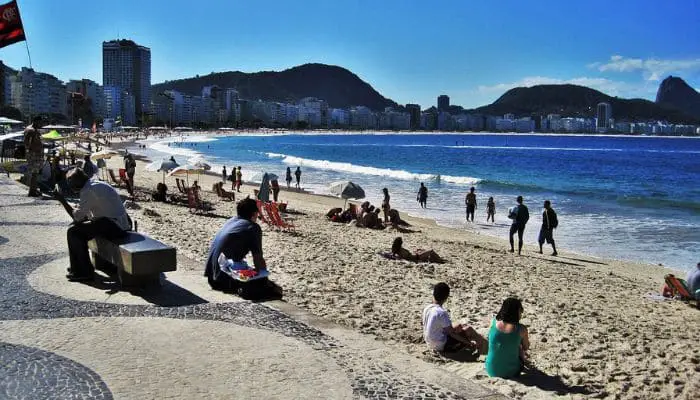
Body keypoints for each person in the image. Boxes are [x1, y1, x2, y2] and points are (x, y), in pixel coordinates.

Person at [65, 168, 131, 282]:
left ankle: (84, 271)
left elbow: (78, 217)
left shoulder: (88, 190)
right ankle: (77, 267)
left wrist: (61, 200)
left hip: (113, 226)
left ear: (78, 181)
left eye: (71, 183)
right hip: (119, 223)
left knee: (73, 232)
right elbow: (86, 214)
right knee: (77, 229)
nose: (70, 187)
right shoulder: (95, 184)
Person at [204, 198, 267, 291]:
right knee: (271, 288)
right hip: (224, 280)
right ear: (254, 213)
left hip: (211, 277)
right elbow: (258, 258)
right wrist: (264, 278)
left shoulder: (231, 221)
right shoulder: (252, 227)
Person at [422, 282, 488, 354]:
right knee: (468, 329)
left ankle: (480, 341)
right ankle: (484, 348)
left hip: (429, 342)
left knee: (459, 325)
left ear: (433, 294)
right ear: (446, 297)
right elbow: (452, 334)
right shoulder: (441, 313)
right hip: (441, 346)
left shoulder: (427, 308)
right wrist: (468, 343)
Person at [485, 298, 530, 378]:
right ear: (517, 312)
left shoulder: (493, 322)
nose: (521, 314)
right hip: (510, 372)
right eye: (520, 311)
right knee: (519, 347)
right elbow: (526, 347)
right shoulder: (522, 329)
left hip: (490, 369)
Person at [23, 116, 45, 197]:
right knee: (34, 173)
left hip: (34, 154)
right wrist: (32, 150)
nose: (41, 124)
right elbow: (26, 142)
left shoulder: (32, 129)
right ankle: (32, 192)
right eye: (40, 122)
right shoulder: (31, 130)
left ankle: (34, 189)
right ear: (36, 121)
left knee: (35, 173)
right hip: (34, 154)